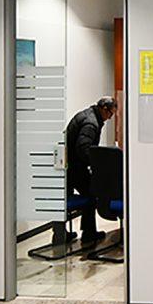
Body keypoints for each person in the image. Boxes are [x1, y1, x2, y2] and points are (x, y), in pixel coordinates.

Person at [52, 96, 117, 246]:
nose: (109, 118)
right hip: (75, 167)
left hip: (67, 165)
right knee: (92, 194)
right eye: (110, 114)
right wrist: (96, 165)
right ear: (104, 109)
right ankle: (89, 233)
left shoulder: (88, 115)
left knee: (63, 199)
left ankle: (60, 235)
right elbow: (83, 149)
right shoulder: (91, 123)